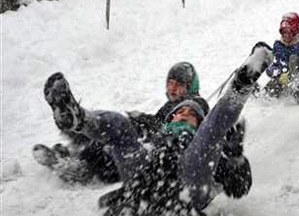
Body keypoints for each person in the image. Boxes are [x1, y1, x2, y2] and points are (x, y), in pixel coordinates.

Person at [43, 42, 274, 216]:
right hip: (147, 181)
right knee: (121, 128)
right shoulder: (160, 137)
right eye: (179, 113)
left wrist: (235, 160)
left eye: (191, 115)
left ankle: (241, 87)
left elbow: (239, 188)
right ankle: (77, 118)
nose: (183, 116)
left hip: (187, 187)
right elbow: (131, 138)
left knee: (208, 137)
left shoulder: (206, 144)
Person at [32, 62, 207, 185]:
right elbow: (160, 124)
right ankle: (74, 122)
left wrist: (147, 124)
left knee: (114, 132)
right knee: (108, 131)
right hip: (145, 150)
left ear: (191, 87)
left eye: (180, 85)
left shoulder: (194, 105)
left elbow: (178, 135)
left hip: (152, 163)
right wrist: (144, 121)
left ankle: (78, 167)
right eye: (170, 83)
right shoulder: (170, 107)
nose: (173, 89)